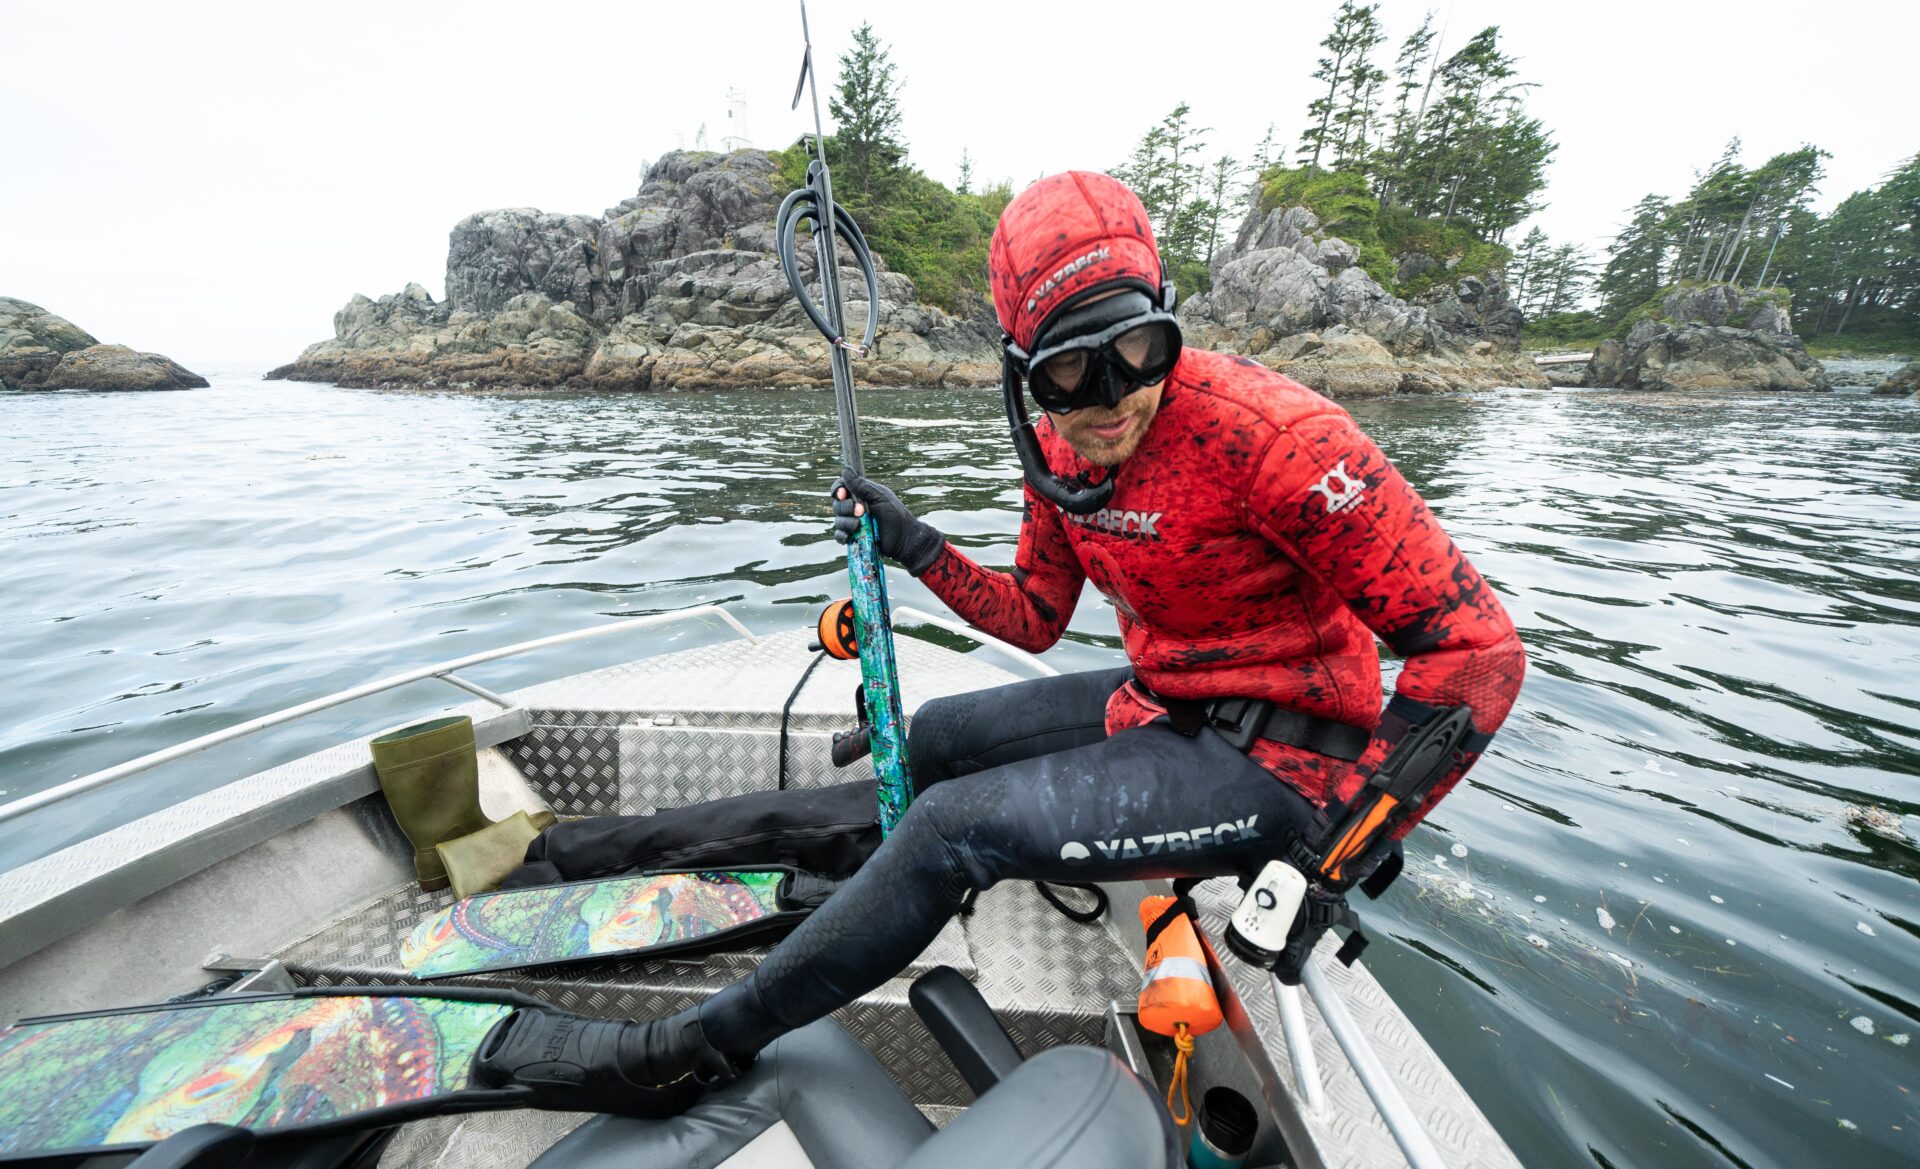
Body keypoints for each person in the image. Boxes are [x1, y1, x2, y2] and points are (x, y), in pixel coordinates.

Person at [560, 171, 1526, 1093]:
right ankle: (607, 856)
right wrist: (918, 543)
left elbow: (1477, 652)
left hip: (1290, 767)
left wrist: (1328, 862)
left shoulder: (1278, 440)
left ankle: (695, 1043)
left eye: (1139, 353)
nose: (1112, 400)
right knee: (932, 740)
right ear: (1024, 367)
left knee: (949, 829)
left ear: (1166, 318)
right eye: (1069, 370)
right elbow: (1032, 616)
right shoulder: (1060, 454)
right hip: (1165, 704)